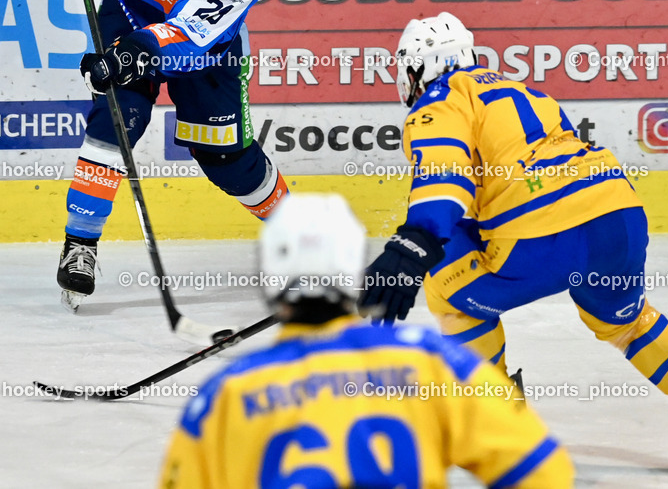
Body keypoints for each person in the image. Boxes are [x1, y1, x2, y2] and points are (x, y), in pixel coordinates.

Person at [356, 12, 668, 476]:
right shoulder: (525, 90)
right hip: (617, 217)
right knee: (624, 321)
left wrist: (415, 243)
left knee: (446, 284)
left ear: (415, 69)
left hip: (545, 235)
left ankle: (497, 416)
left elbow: (446, 178)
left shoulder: (438, 101)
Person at [158, 193, 576, 488]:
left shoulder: (228, 392)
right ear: (355, 266)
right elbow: (545, 473)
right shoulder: (434, 362)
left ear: (268, 276)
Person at [48, 0, 289, 308]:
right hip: (130, 10)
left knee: (228, 164)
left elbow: (195, 30)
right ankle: (80, 245)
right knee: (119, 119)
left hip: (204, 52)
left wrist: (135, 52)